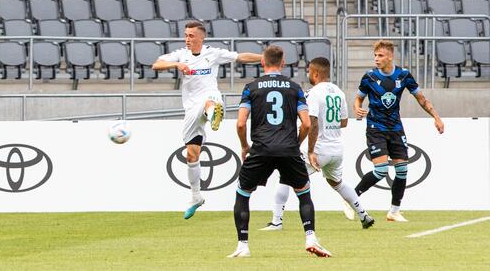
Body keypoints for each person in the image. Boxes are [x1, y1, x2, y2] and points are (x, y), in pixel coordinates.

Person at [228, 46, 331, 258]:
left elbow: (240, 124)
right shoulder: (295, 88)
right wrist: (295, 143)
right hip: (288, 149)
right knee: (303, 194)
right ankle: (311, 237)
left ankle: (243, 245)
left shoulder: (250, 87)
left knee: (243, 194)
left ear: (262, 63)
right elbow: (306, 124)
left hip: (261, 149)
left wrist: (245, 145)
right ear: (282, 63)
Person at [152, 21, 261, 219]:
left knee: (209, 102)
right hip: (191, 108)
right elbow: (156, 64)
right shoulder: (180, 54)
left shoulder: (213, 53)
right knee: (191, 155)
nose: (187, 39)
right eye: (186, 35)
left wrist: (264, 58)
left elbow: (240, 57)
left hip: (209, 97)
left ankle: (213, 115)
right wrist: (175, 64)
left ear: (202, 38)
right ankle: (196, 197)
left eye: (191, 36)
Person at [261, 57, 374, 231]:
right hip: (336, 149)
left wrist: (311, 150)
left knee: (285, 177)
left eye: (308, 71)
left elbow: (311, 122)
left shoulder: (314, 93)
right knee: (337, 183)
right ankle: (364, 215)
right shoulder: (338, 92)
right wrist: (328, 123)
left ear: (315, 72)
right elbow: (344, 122)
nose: (308, 74)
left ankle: (276, 221)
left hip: (319, 148)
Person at [353, 40, 444, 222]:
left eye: (380, 56)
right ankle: (351, 198)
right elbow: (358, 99)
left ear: (390, 57)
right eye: (375, 55)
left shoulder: (403, 76)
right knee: (381, 171)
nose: (376, 59)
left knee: (402, 170)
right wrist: (357, 108)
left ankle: (394, 211)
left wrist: (436, 117)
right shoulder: (369, 77)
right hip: (375, 127)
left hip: (395, 128)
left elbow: (421, 99)